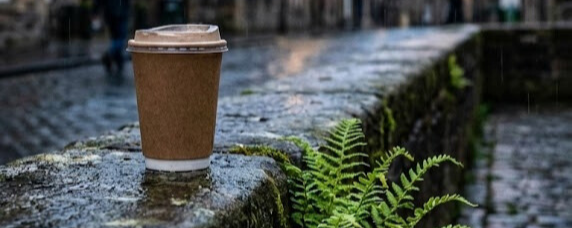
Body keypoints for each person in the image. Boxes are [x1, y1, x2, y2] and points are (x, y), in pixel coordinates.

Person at [93, 0, 131, 82]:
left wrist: (96, 10)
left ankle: (118, 60)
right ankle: (110, 53)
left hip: (110, 13)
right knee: (120, 37)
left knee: (116, 37)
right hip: (120, 12)